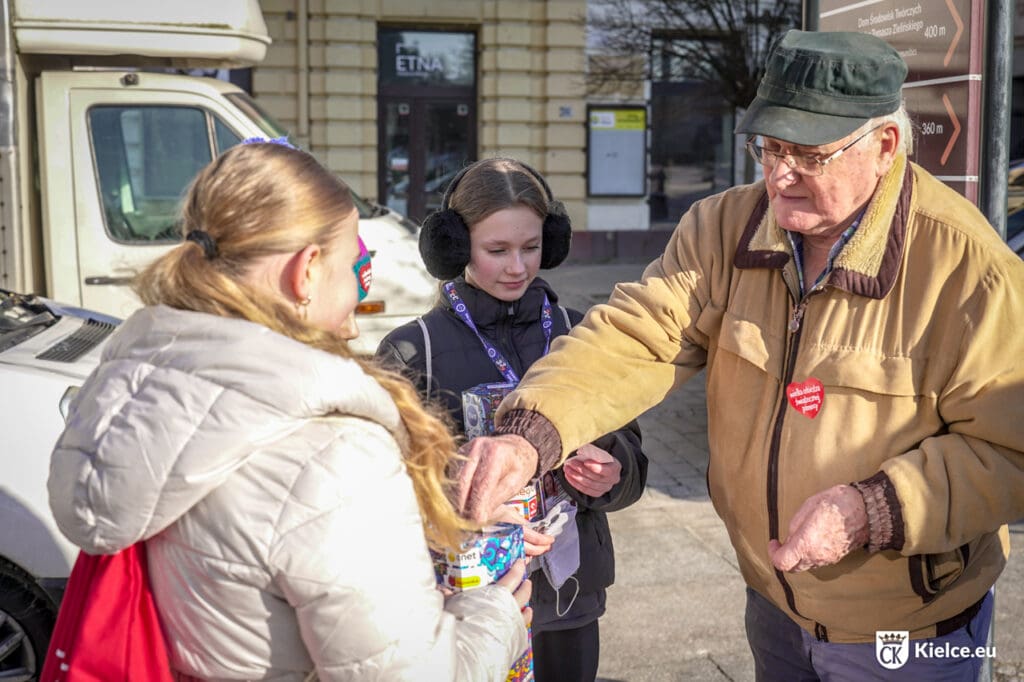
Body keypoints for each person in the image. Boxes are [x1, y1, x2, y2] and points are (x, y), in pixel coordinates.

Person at [454, 30, 1024, 681]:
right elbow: (637, 335)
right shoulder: (722, 227)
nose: (779, 175)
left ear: (885, 145)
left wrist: (872, 510)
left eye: (808, 154)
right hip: (772, 602)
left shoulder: (969, 270)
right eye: (769, 147)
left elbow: (1009, 450)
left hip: (906, 629)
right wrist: (532, 433)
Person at [46, 140, 532, 681]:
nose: (356, 303)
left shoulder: (142, 393)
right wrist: (494, 622)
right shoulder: (335, 454)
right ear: (307, 271)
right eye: (354, 266)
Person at [375, 157, 648, 682]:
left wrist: (612, 473)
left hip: (570, 600)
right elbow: (384, 491)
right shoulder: (412, 351)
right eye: (497, 250)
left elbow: (634, 465)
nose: (518, 267)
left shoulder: (582, 336)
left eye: (531, 247)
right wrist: (465, 508)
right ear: (456, 246)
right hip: (466, 600)